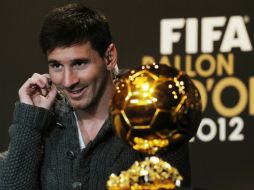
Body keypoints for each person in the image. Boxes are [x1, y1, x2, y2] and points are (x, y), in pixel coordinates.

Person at [0, 3, 191, 190]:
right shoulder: (43, 120)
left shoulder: (152, 118)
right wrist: (31, 122)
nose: (67, 81)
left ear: (109, 57)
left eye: (79, 64)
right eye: (57, 65)